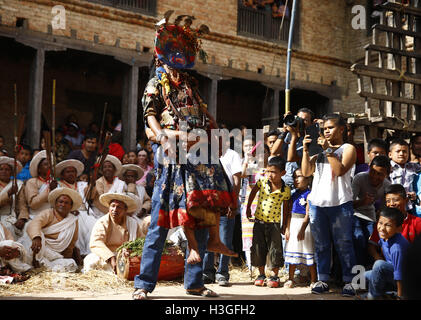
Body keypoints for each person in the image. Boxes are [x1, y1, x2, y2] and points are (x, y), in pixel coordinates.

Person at [133, 13, 234, 300]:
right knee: (160, 220)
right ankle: (143, 284)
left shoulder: (191, 86)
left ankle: (195, 283)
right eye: (171, 58)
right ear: (161, 59)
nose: (176, 64)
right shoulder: (155, 83)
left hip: (199, 151)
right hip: (170, 151)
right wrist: (163, 136)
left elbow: (205, 116)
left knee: (200, 213)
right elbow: (149, 117)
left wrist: (214, 135)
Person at [301, 113, 357, 297]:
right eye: (324, 128)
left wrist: (327, 151)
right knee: (322, 245)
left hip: (341, 203)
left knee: (345, 243)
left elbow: (340, 170)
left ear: (341, 129)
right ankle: (323, 279)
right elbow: (306, 172)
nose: (326, 131)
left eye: (330, 127)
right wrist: (305, 151)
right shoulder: (320, 151)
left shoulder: (348, 148)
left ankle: (353, 282)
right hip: (318, 204)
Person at [246, 156, 291, 288]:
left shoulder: (285, 190)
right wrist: (248, 208)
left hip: (275, 224)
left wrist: (285, 225)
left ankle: (274, 276)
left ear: (283, 173)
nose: (270, 175)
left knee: (275, 249)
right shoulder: (262, 182)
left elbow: (286, 209)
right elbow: (253, 192)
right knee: (258, 248)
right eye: (268, 171)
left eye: (274, 172)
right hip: (259, 222)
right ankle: (261, 275)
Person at [202, 141, 243, 287]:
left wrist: (233, 201)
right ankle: (207, 272)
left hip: (226, 202)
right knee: (206, 238)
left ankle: (222, 273)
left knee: (225, 239)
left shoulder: (232, 155)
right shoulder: (206, 155)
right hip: (209, 203)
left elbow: (237, 179)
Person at [19, 187, 83, 272]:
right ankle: (37, 264)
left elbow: (70, 244)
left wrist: (67, 258)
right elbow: (35, 223)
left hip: (54, 255)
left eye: (66, 203)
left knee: (70, 263)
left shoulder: (73, 221)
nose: (63, 205)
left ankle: (43, 266)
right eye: (60, 202)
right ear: (55, 203)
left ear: (71, 206)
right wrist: (37, 237)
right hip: (39, 247)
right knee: (34, 238)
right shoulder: (48, 213)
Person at [83, 192, 142, 273]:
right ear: (109, 207)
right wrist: (111, 257)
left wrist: (131, 251)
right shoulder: (102, 222)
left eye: (119, 207)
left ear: (125, 210)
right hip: (107, 256)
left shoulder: (133, 224)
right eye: (113, 206)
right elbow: (96, 242)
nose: (115, 210)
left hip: (127, 256)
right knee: (91, 260)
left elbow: (141, 242)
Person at [352, 155, 391, 267]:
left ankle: (368, 269)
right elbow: (349, 204)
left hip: (370, 215)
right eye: (373, 172)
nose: (375, 177)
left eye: (380, 174)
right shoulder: (359, 178)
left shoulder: (387, 185)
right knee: (358, 237)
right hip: (355, 213)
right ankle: (358, 272)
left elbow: (385, 208)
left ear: (386, 174)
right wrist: (363, 202)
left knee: (371, 241)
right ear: (369, 168)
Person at [364, 207, 409, 300]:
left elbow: (399, 273)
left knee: (379, 265)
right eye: (380, 223)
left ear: (399, 229)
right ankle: (387, 293)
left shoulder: (397, 248)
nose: (382, 228)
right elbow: (382, 245)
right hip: (391, 274)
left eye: (388, 225)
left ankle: (374, 296)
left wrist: (400, 297)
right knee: (362, 277)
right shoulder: (384, 236)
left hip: (406, 280)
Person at [284, 168, 316, 289]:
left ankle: (313, 280)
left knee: (308, 251)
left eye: (299, 176)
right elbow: (289, 214)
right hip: (293, 224)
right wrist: (287, 229)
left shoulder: (310, 194)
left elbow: (308, 214)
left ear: (308, 179)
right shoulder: (293, 194)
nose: (296, 179)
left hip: (305, 227)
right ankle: (291, 278)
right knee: (292, 252)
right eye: (294, 177)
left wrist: (302, 228)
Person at [240, 138, 269, 269]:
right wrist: (247, 159)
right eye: (246, 146)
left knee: (266, 236)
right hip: (250, 206)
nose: (249, 148)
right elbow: (242, 174)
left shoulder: (269, 167)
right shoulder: (249, 166)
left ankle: (267, 267)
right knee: (248, 235)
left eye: (251, 145)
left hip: (267, 207)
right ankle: (251, 266)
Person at [23, 150, 58, 229]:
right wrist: (49, 190)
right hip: (36, 216)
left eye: (50, 164)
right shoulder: (32, 182)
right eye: (46, 164)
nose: (49, 166)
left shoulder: (55, 182)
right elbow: (33, 204)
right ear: (39, 169)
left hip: (54, 217)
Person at [117, 164, 151, 236]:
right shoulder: (119, 187)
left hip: (139, 216)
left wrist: (143, 209)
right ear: (124, 177)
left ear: (136, 178)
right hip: (123, 217)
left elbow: (148, 201)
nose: (130, 178)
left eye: (132, 176)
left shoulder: (141, 188)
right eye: (128, 176)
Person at [388, 138, 421, 212]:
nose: (401, 154)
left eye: (404, 151)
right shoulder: (388, 168)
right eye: (398, 151)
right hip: (393, 206)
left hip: (409, 206)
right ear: (390, 154)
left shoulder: (413, 166)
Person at [0, 156, 28, 239]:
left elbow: (22, 204)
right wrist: (8, 194)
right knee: (7, 227)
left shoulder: (18, 184)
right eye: (1, 169)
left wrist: (22, 218)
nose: (3, 172)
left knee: (27, 228)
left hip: (12, 216)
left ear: (12, 173)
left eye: (7, 169)